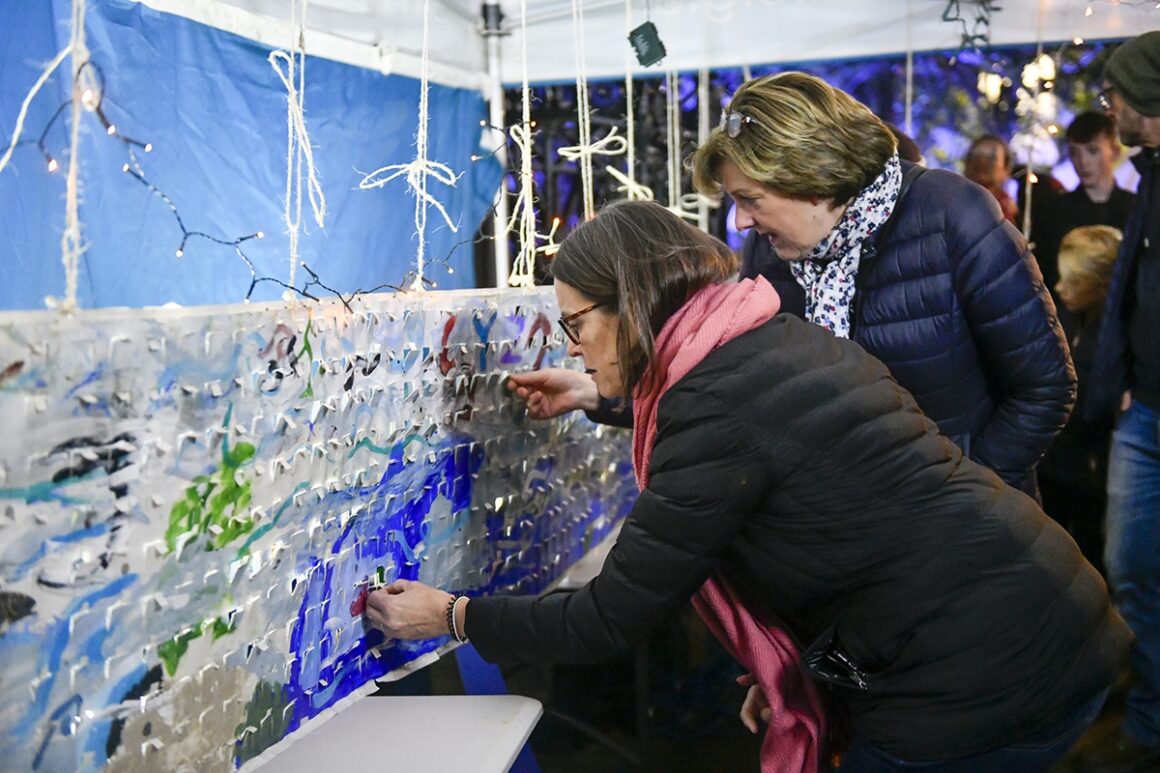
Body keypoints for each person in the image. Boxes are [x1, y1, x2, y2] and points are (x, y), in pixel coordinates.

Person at [365, 200, 1128, 772]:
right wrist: (598, 395)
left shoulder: (709, 406)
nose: (574, 344)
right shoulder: (762, 334)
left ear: (629, 303)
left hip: (985, 667)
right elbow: (773, 449)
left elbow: (609, 615)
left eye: (576, 324)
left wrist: (453, 615)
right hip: (1031, 612)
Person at [513, 73, 1075, 500]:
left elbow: (1044, 388)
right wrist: (601, 396)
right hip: (838, 534)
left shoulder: (953, 215)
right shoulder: (773, 248)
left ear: (814, 180)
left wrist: (963, 494)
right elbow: (738, 390)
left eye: (749, 200)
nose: (738, 223)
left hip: (964, 538)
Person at [1073, 30, 1160, 773]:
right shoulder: (1153, 174)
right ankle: (1149, 718)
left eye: (1115, 93)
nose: (1109, 108)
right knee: (1129, 568)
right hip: (1145, 412)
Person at [1039, 225, 1122, 574]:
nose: (1060, 288)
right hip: (1058, 458)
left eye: (1072, 281)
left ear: (1099, 282)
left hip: (1089, 467)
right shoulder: (1068, 318)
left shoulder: (1115, 340)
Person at [1031, 111, 1137, 337]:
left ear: (1114, 151)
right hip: (1072, 326)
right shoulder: (1054, 212)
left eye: (1092, 150)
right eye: (1074, 153)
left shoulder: (1135, 208)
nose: (1083, 162)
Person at [964, 134, 1019, 222]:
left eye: (991, 158)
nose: (982, 161)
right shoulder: (952, 204)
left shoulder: (1007, 211)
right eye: (977, 156)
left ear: (1005, 170)